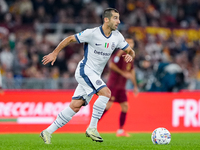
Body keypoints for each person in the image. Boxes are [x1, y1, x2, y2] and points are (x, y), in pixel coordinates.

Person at [40, 8, 135, 144]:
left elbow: (130, 51)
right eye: (115, 18)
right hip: (85, 70)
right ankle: (92, 128)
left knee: (75, 106)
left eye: (119, 18)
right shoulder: (92, 33)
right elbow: (70, 38)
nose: (118, 21)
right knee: (106, 93)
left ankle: (47, 131)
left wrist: (130, 56)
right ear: (106, 19)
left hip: (95, 75)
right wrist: (55, 53)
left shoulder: (117, 36)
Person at [101, 38, 139, 137]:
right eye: (128, 42)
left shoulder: (130, 55)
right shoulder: (119, 53)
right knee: (108, 106)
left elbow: (131, 71)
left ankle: (120, 131)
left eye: (131, 42)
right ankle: (92, 125)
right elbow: (111, 65)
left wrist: (135, 86)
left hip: (122, 87)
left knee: (125, 106)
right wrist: (123, 73)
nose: (130, 44)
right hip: (113, 85)